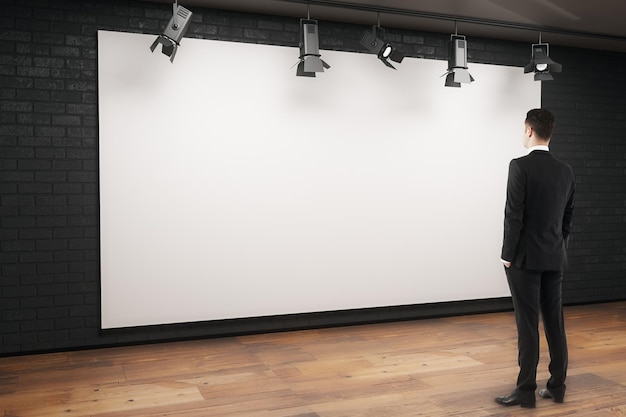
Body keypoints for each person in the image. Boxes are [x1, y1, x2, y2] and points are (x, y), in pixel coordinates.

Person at [495, 108, 575, 408]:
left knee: (527, 324)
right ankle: (557, 386)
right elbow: (568, 218)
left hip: (524, 260)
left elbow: (513, 214)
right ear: (549, 132)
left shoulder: (519, 166)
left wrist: (507, 254)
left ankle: (526, 390)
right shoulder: (566, 170)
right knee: (555, 322)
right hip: (555, 257)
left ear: (529, 130)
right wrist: (559, 246)